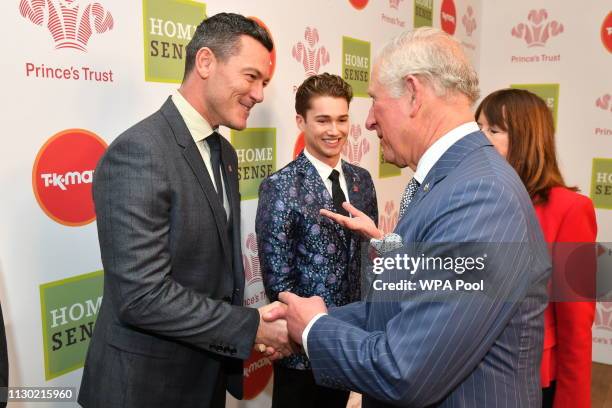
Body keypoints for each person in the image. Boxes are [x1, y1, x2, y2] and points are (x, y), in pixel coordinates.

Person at [265, 27, 551, 407]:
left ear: (414, 94)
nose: (367, 122)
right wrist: (307, 322)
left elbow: (406, 371)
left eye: (374, 101)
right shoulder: (451, 181)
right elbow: (400, 309)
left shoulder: (481, 196)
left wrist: (315, 329)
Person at [78, 13, 291, 408]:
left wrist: (252, 329)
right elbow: (141, 296)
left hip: (205, 376)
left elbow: (216, 274)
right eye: (251, 77)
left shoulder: (224, 151)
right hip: (144, 388)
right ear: (206, 62)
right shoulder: (140, 151)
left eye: (264, 83)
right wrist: (252, 326)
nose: (259, 94)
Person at [255, 73, 378, 408]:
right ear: (301, 121)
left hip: (353, 342)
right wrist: (308, 333)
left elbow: (370, 259)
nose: (334, 130)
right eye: (322, 120)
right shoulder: (280, 186)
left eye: (341, 119)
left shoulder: (362, 181)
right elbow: (278, 280)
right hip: (302, 351)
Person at [476, 89, 597, 408]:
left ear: (525, 138)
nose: (479, 138)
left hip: (533, 381)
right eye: (477, 128)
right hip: (474, 373)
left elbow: (577, 325)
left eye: (493, 130)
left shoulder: (573, 208)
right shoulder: (478, 200)